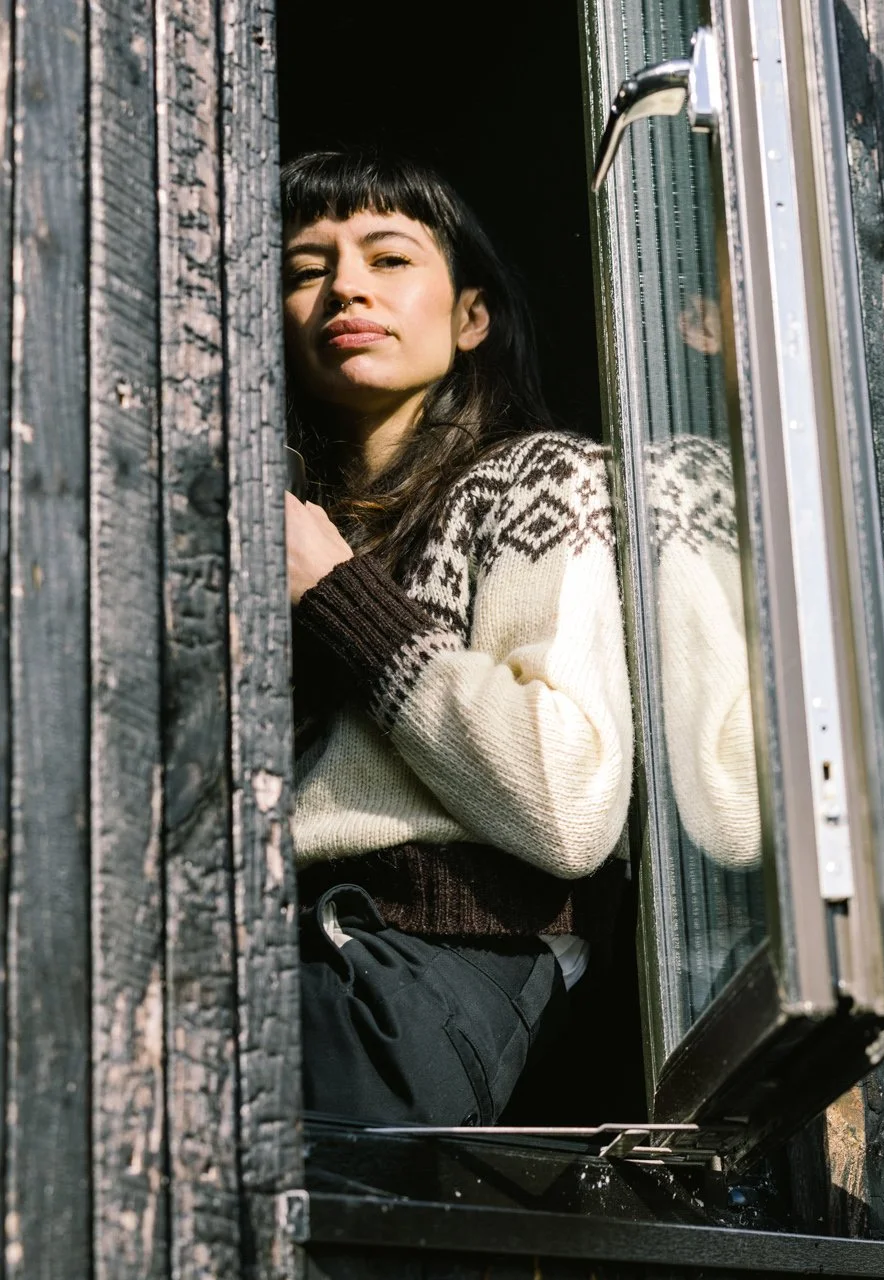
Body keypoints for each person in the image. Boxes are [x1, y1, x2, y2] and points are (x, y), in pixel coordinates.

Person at [282, 150, 633, 1126]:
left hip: (423, 968)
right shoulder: (308, 526)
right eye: (305, 268)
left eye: (387, 256)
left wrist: (343, 600)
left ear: (471, 316)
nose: (344, 284)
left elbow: (566, 800)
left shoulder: (537, 479)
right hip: (285, 961)